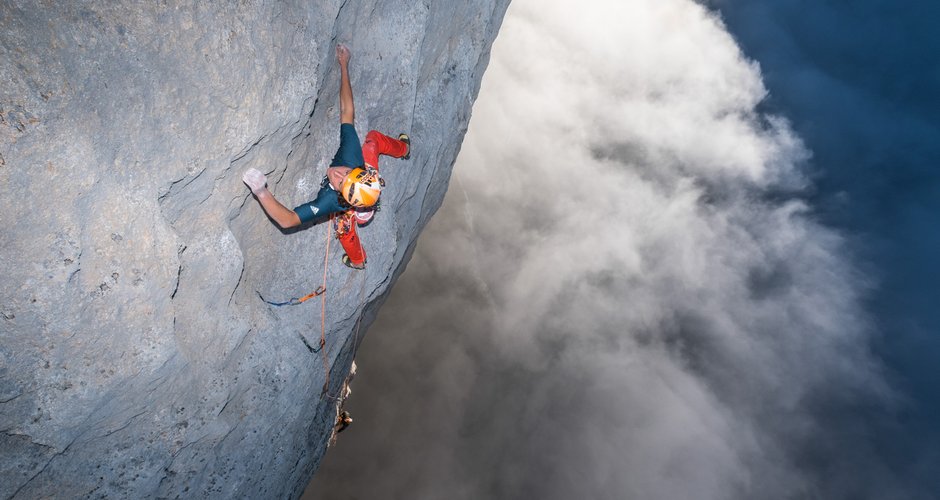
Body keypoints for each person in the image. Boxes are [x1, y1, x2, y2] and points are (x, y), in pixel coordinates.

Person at [242, 44, 410, 269]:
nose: (337, 173)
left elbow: (288, 220)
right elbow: (346, 111)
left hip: (351, 201)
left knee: (344, 227)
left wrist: (261, 191)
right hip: (363, 180)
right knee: (372, 141)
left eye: (340, 182)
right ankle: (404, 149)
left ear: (342, 196)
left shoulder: (330, 202)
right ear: (357, 170)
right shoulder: (351, 158)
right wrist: (344, 64)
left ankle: (358, 260)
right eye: (346, 173)